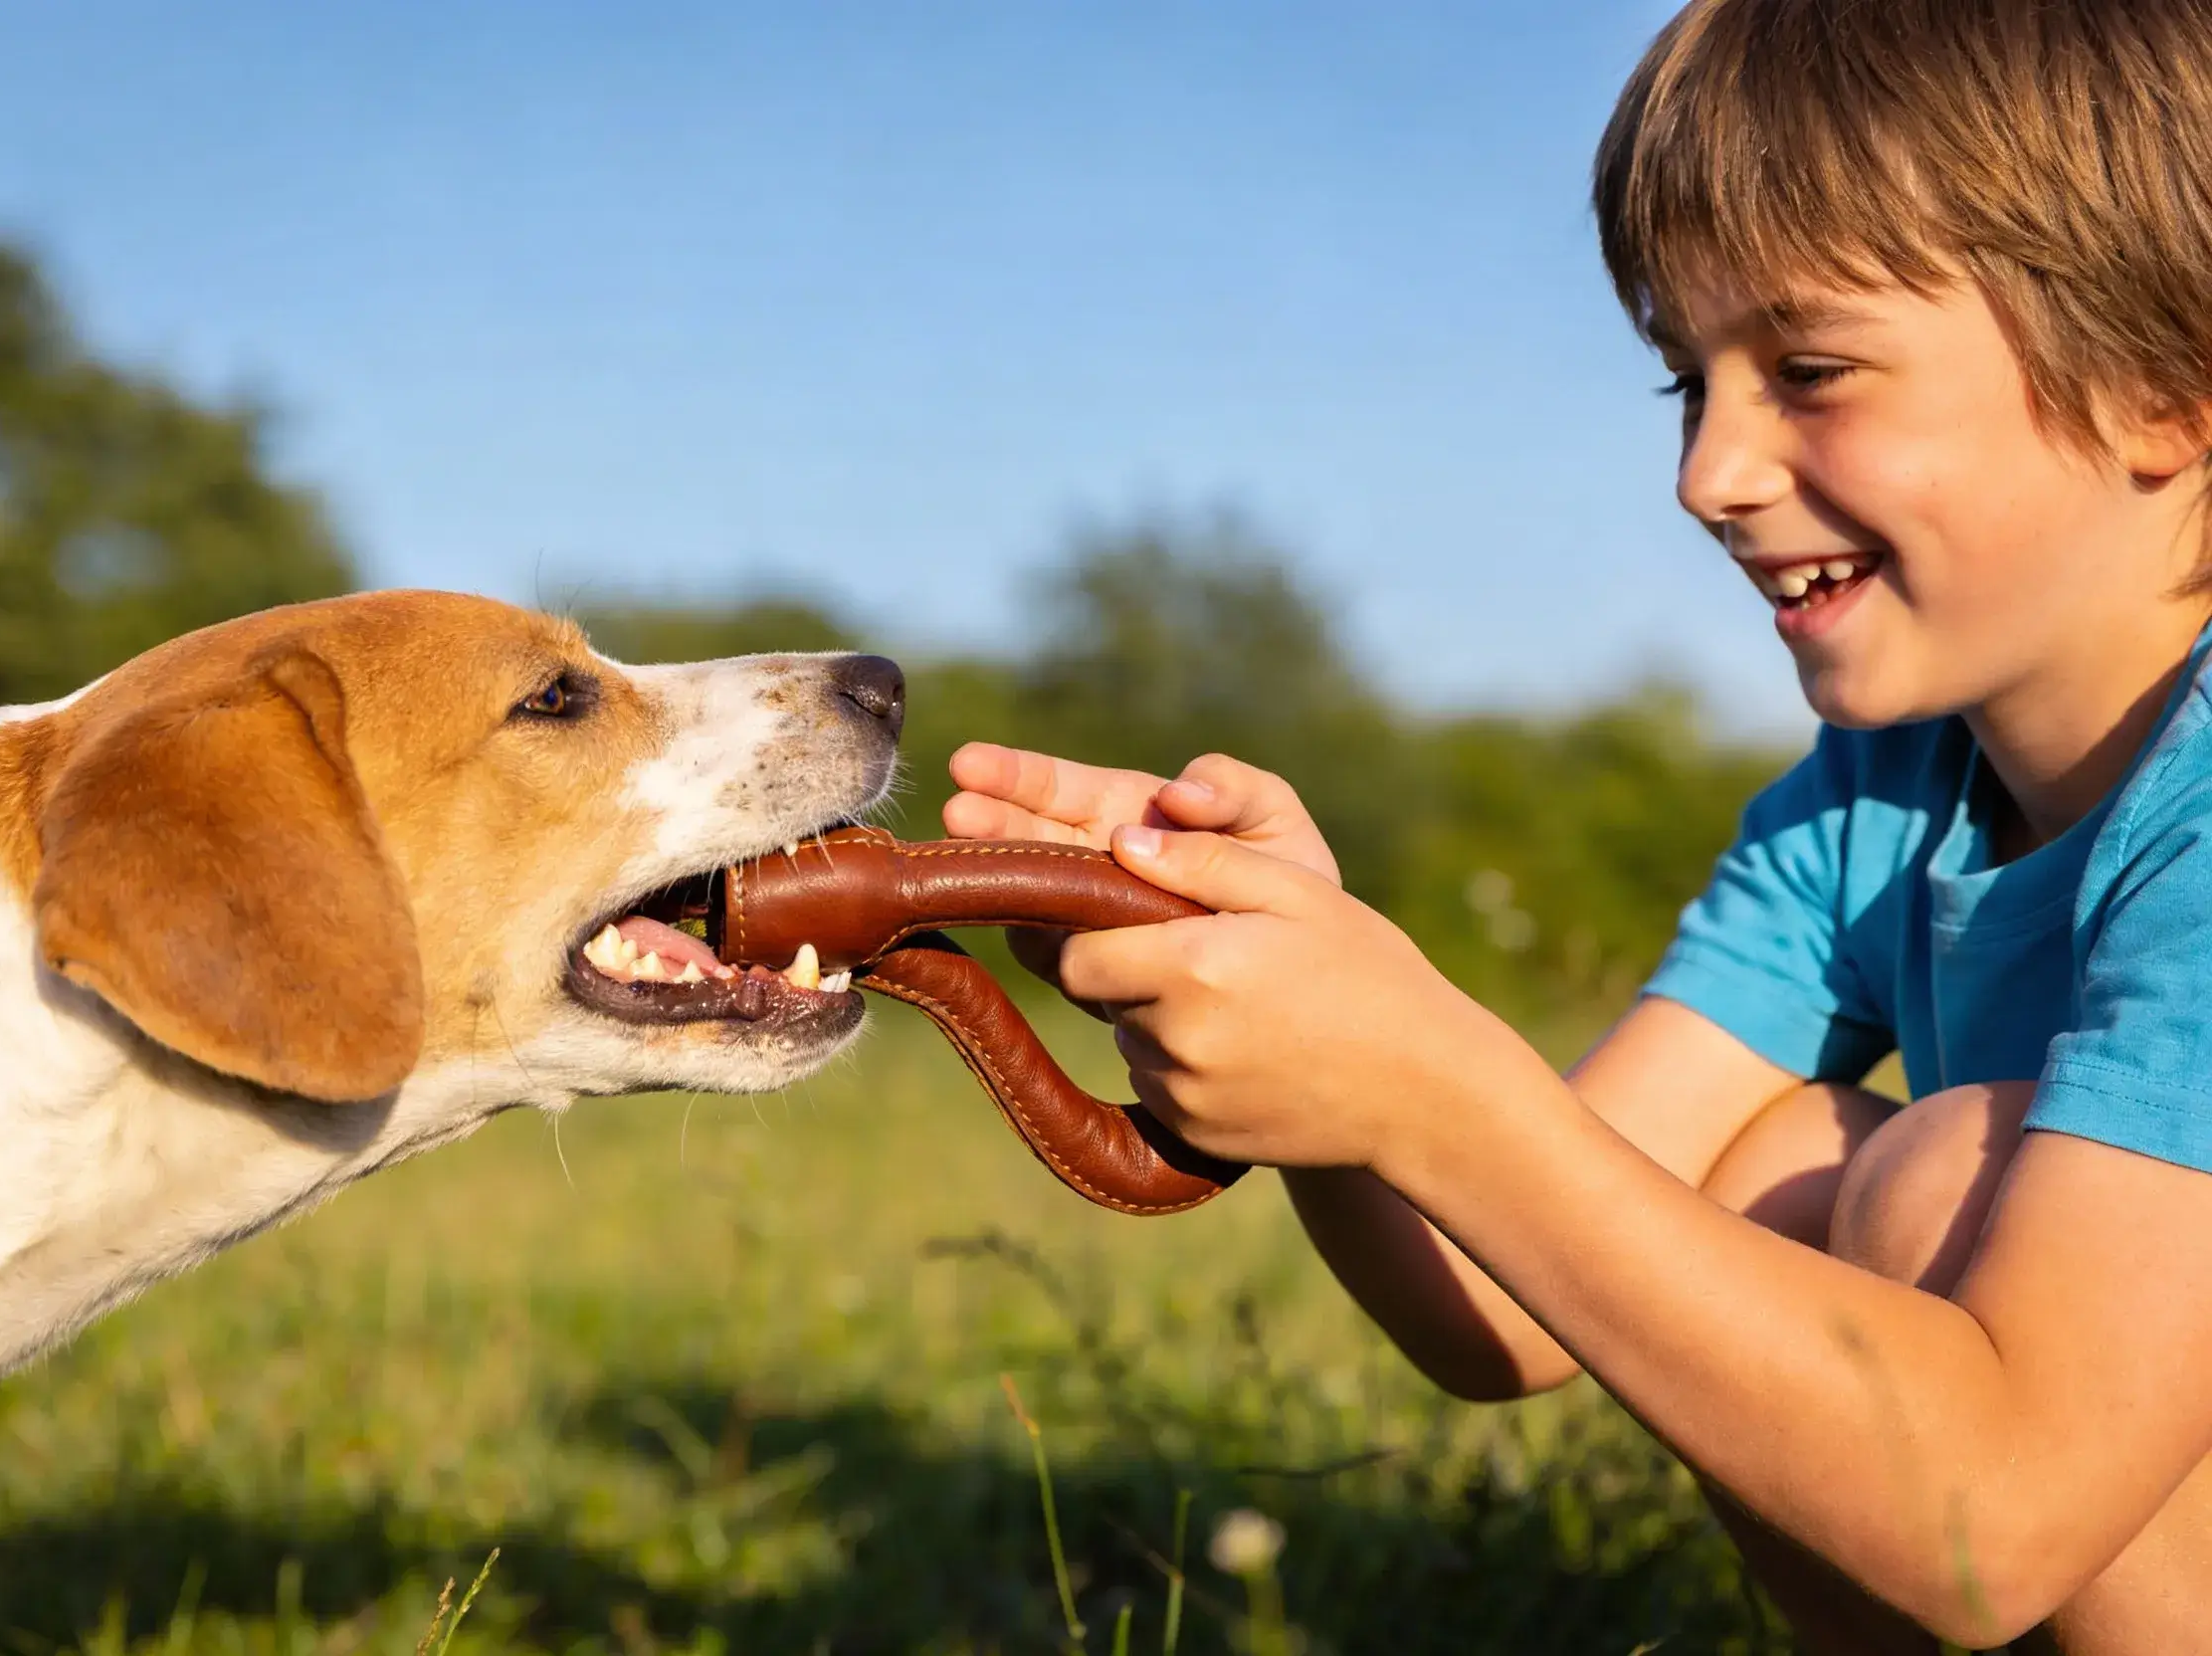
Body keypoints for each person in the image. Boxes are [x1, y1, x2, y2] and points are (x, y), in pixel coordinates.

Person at [942, 1, 2212, 1649]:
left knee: (1925, 1190)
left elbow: (1997, 1512)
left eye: (1808, 370)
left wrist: (1433, 1085)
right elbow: (1499, 1308)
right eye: (1692, 381)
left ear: (2159, 384)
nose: (1711, 473)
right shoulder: (1870, 809)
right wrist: (1306, 1010)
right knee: (1779, 1182)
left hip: (2023, 1494)